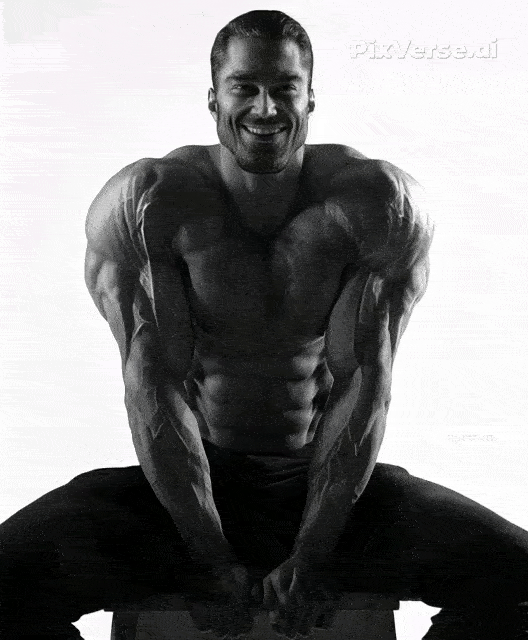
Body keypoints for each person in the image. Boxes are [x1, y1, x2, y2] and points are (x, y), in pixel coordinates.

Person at [1, 9, 528, 640]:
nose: (266, 108)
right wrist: (207, 555)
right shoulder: (151, 202)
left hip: (328, 488)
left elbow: (364, 384)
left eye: (284, 88)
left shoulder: (376, 205)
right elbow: (154, 388)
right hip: (182, 490)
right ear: (213, 99)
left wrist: (314, 552)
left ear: (311, 98)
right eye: (245, 88)